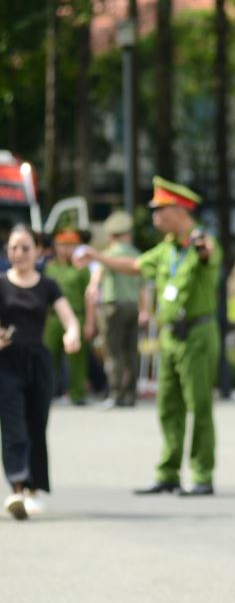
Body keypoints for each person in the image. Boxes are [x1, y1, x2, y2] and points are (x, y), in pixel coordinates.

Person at [91, 177, 222, 496]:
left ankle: (202, 475)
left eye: (159, 210)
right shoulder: (165, 249)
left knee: (199, 406)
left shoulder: (202, 241)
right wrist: (99, 259)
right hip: (170, 336)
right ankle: (168, 473)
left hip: (197, 334)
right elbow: (135, 265)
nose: (154, 217)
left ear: (179, 210)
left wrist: (203, 248)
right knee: (168, 406)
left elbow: (208, 255)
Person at [0, 226, 82, 519]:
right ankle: (17, 488)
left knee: (36, 425)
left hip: (38, 361)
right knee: (13, 426)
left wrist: (72, 334)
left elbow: (68, 317)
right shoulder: (1, 284)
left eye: (24, 247)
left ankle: (34, 490)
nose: (18, 254)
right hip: (6, 362)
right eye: (13, 248)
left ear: (37, 251)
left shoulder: (48, 286)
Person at [88, 212, 144, 408]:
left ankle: (115, 393)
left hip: (113, 307)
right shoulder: (137, 255)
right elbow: (143, 287)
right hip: (133, 306)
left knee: (113, 352)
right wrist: (145, 310)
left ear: (111, 236)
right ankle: (131, 394)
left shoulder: (108, 255)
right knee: (130, 351)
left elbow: (95, 281)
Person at [44, 228, 94, 405]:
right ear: (56, 246)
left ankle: (77, 393)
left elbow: (90, 297)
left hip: (76, 315)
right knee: (49, 356)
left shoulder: (82, 269)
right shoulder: (50, 268)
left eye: (71, 245)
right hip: (52, 318)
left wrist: (90, 322)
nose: (66, 249)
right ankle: (47, 392)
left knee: (77, 358)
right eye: (62, 245)